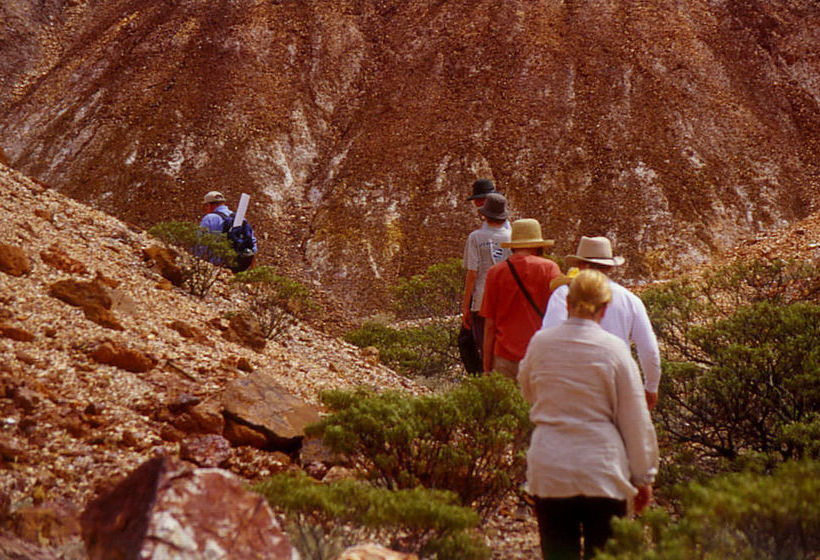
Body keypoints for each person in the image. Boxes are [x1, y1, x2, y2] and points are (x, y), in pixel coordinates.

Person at [519, 269, 658, 560]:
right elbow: (634, 419)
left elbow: (528, 390)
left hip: (551, 466)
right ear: (605, 308)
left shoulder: (540, 344)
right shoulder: (616, 350)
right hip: (602, 469)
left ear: (567, 303)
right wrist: (643, 476)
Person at [541, 236, 661, 410]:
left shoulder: (563, 294)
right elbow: (649, 350)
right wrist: (651, 387)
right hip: (617, 387)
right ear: (610, 268)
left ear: (581, 265)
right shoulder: (630, 300)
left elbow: (549, 342)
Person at [480, 219, 560, 379]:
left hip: (504, 357)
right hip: (539, 357)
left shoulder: (495, 273)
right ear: (538, 245)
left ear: (513, 245)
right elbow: (559, 318)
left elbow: (489, 325)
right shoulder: (549, 269)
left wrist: (487, 367)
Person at [462, 193, 512, 371]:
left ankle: (488, 386)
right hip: (505, 301)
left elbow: (473, 273)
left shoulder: (475, 237)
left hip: (481, 300)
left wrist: (465, 306)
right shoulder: (511, 237)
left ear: (485, 214)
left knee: (485, 350)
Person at [199, 191, 258, 272]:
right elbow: (252, 243)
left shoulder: (209, 218)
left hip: (216, 268)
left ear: (208, 205)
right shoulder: (240, 218)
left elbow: (200, 244)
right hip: (238, 267)